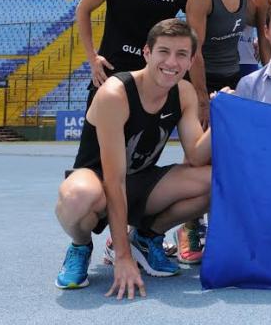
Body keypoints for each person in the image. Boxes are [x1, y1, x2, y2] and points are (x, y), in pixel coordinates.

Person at [54, 19, 211, 298]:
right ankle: (81, 246)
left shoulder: (184, 92)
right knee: (78, 197)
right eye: (163, 51)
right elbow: (114, 182)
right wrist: (122, 257)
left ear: (190, 61)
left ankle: (146, 237)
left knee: (214, 181)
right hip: (99, 181)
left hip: (141, 181)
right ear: (147, 53)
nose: (171, 62)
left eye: (181, 55)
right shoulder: (116, 94)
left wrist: (224, 113)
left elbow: (197, 157)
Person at [177, 0, 254, 265]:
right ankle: (188, 226)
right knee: (198, 157)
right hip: (200, 83)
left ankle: (222, 226)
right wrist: (203, 99)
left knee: (228, 157)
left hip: (232, 79)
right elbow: (194, 51)